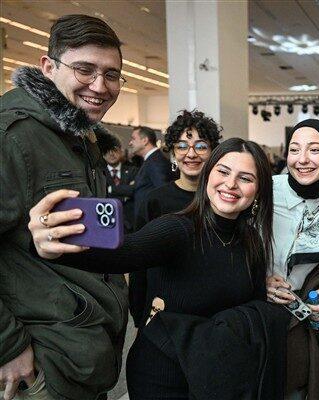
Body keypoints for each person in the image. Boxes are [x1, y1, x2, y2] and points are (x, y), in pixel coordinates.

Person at [27, 138, 288, 399]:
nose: (230, 184)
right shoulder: (178, 228)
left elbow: (250, 306)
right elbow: (122, 253)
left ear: (259, 189)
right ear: (209, 175)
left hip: (219, 375)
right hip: (165, 373)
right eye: (223, 171)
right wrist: (52, 244)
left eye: (245, 178)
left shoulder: (251, 239)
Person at [0, 14, 128, 400]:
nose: (99, 86)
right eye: (85, 70)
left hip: (80, 355)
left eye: (112, 74)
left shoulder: (76, 135)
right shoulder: (15, 136)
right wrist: (8, 346)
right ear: (48, 67)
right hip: (42, 362)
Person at [267, 119, 319, 399]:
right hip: (254, 315)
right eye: (295, 150)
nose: (302, 160)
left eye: (314, 150)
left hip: (300, 327)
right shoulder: (263, 191)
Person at [129, 109, 222, 327]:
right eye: (182, 146)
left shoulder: (223, 199)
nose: (191, 154)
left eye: (201, 146)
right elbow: (138, 261)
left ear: (213, 153)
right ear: (172, 153)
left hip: (214, 310)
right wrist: (139, 309)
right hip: (164, 308)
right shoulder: (155, 201)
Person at [128, 125, 173, 219]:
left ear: (145, 140)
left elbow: (164, 195)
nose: (130, 143)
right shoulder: (151, 160)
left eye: (133, 139)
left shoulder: (156, 161)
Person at [104, 141, 139, 233]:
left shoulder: (133, 170)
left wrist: (110, 189)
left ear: (121, 151)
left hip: (130, 223)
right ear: (103, 155)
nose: (111, 154)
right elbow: (101, 195)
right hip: (107, 221)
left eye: (114, 150)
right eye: (108, 151)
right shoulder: (99, 173)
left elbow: (134, 190)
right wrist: (124, 195)